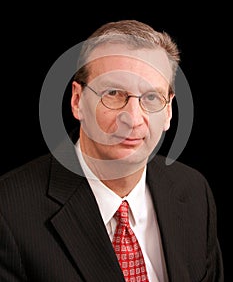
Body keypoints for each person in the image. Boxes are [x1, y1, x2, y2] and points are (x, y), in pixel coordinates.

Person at [0, 20, 223, 282]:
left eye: (151, 97)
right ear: (77, 101)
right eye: (114, 93)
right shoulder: (8, 211)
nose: (133, 118)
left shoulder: (194, 192)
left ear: (169, 111)